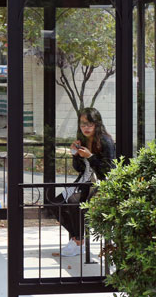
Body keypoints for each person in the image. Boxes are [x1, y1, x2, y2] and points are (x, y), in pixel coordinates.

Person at [48, 107, 115, 257]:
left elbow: (108, 170)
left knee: (73, 202)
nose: (86, 128)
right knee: (54, 204)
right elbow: (79, 168)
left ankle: (78, 242)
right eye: (82, 124)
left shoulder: (106, 141)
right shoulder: (83, 140)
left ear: (97, 124)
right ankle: (77, 238)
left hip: (100, 184)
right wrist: (74, 154)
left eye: (89, 124)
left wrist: (90, 156)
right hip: (84, 181)